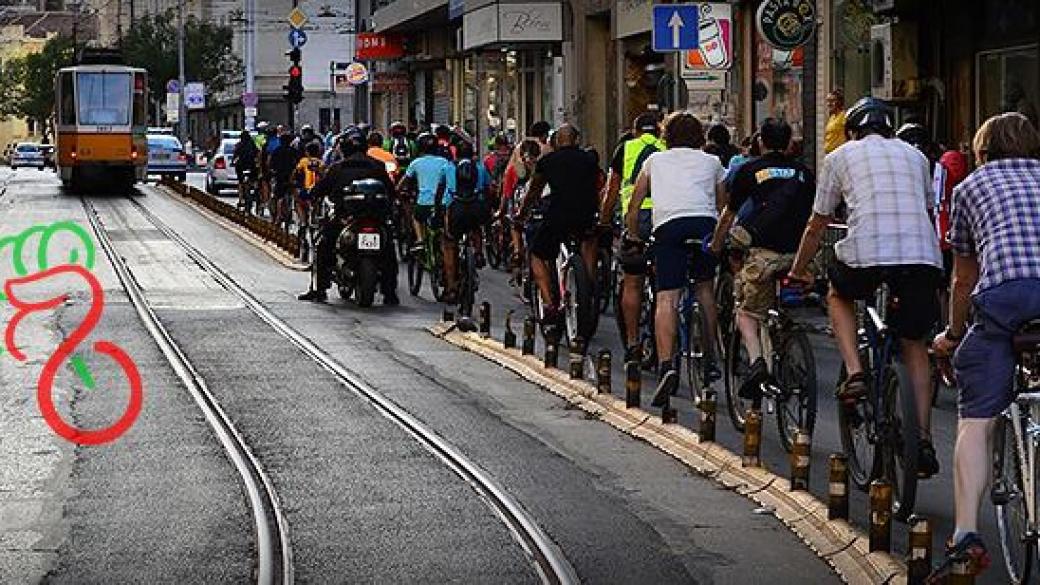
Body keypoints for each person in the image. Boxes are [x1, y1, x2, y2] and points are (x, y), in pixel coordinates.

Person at [788, 97, 943, 477]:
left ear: (853, 130)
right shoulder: (916, 157)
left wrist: (798, 268)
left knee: (839, 294)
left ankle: (856, 372)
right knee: (914, 344)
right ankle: (922, 438)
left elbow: (818, 221)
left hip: (867, 254)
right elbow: (924, 206)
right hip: (921, 255)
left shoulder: (839, 157)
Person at [928, 112, 1040, 580]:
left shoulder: (970, 188)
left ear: (981, 151)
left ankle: (967, 534)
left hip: (1003, 300)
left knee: (976, 421)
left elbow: (964, 276)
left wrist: (953, 336)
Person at [626, 112, 726, 406]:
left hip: (669, 228)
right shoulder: (713, 162)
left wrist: (634, 237)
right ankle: (710, 357)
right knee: (705, 290)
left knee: (667, 298)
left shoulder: (654, 161)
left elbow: (634, 205)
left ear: (665, 136)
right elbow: (722, 204)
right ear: (699, 137)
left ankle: (668, 364)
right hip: (705, 226)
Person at [710, 118, 815, 397]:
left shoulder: (750, 170)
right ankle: (788, 344)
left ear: (760, 142)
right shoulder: (805, 173)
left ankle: (757, 363)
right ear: (790, 142)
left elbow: (729, 214)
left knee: (746, 312)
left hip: (764, 257)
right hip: (799, 259)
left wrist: (716, 246)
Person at [298, 130, 397, 304]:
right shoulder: (378, 166)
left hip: (345, 218)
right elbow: (391, 191)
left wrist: (310, 193)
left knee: (323, 245)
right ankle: (390, 292)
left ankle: (319, 289)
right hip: (375, 218)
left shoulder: (338, 168)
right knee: (388, 249)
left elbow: (320, 189)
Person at [519, 124, 600, 333]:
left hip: (558, 216)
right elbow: (599, 185)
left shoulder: (547, 162)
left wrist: (522, 212)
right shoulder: (590, 160)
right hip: (585, 215)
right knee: (589, 242)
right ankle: (589, 287)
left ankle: (548, 303)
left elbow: (534, 191)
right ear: (577, 140)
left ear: (556, 142)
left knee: (537, 254)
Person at [598, 112, 664, 364]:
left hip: (636, 221)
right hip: (663, 218)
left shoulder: (625, 148)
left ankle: (634, 342)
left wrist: (604, 220)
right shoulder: (666, 147)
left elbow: (612, 189)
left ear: (635, 130)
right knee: (665, 284)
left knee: (632, 282)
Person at [268, 128, 300, 228]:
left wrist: (272, 172)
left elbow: (271, 165)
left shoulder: (276, 151)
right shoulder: (294, 151)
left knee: (277, 197)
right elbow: (298, 164)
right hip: (291, 178)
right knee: (294, 197)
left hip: (280, 178)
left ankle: (277, 217)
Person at [292, 141, 325, 239]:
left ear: (307, 152)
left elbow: (296, 173)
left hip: (305, 190)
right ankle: (315, 217)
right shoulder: (321, 163)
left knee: (298, 202)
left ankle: (303, 222)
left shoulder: (303, 161)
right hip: (318, 191)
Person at [231, 130, 260, 209]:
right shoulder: (252, 145)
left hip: (241, 166)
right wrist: (257, 162)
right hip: (252, 166)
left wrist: (233, 162)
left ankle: (241, 200)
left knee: (240, 182)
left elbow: (235, 156)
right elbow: (257, 153)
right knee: (254, 180)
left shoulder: (238, 145)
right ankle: (256, 190)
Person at [824, 89, 847, 154]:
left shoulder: (844, 116)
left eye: (831, 101)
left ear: (839, 102)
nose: (829, 104)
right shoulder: (832, 117)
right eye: (828, 101)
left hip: (839, 154)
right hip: (830, 154)